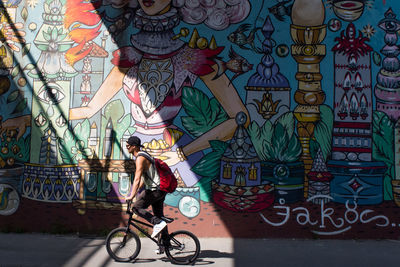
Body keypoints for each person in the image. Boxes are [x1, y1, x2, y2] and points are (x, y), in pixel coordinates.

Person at [125, 135, 168, 240]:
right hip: (160, 190)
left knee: (136, 207)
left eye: (128, 145)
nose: (126, 146)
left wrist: (131, 196)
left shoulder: (140, 158)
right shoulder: (146, 155)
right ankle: (166, 245)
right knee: (159, 217)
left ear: (134, 146)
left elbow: (137, 179)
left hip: (154, 190)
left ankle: (157, 223)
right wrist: (136, 193)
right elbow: (144, 179)